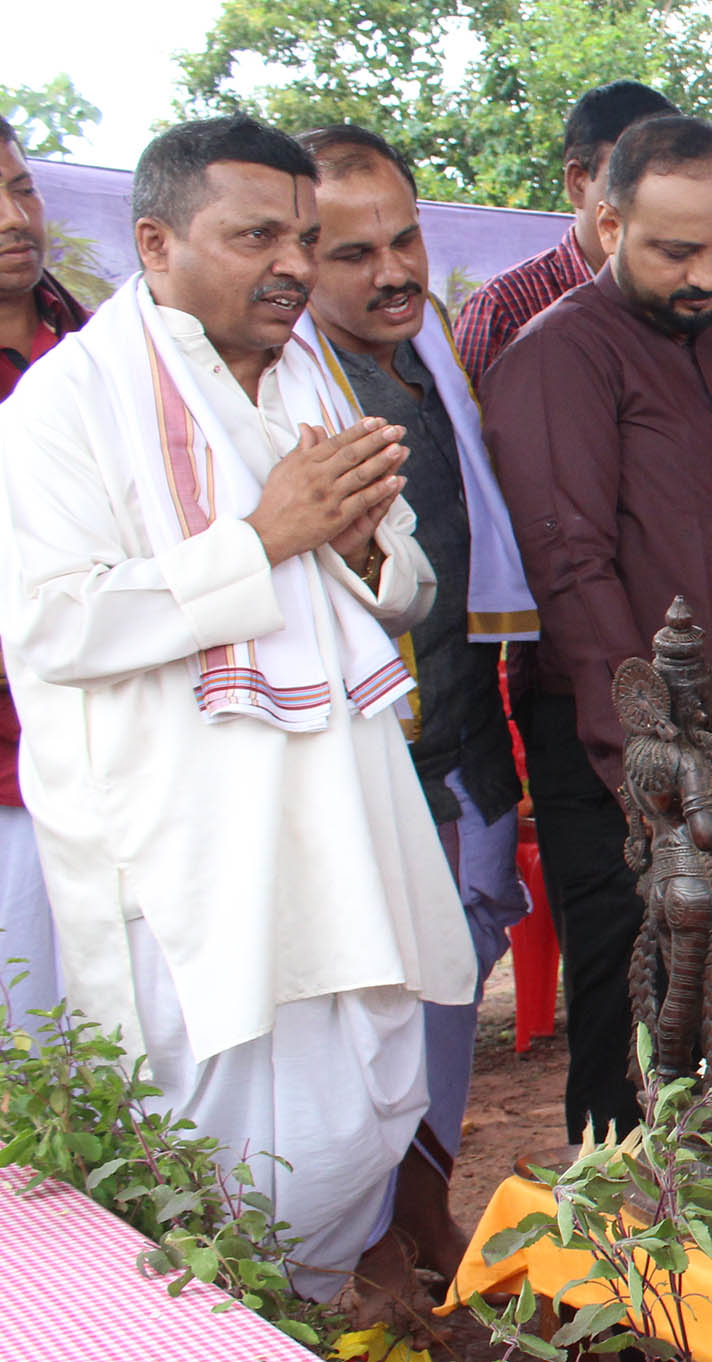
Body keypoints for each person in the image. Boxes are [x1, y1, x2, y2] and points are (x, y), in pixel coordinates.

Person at [0, 116, 475, 1305]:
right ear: (154, 244)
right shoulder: (55, 415)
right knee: (222, 1154)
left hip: (348, 811)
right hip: (196, 846)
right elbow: (54, 625)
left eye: (305, 236)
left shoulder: (315, 375)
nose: (296, 265)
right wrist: (263, 539)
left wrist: (359, 550)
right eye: (257, 234)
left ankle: (311, 1335)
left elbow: (402, 582)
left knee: (365, 1099)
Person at [483, 115, 712, 1141]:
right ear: (604, 219)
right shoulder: (559, 357)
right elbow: (572, 569)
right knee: (637, 1020)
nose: (708, 275)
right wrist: (655, 757)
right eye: (677, 250)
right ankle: (632, 1280)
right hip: (623, 756)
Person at [300, 123, 536, 1280]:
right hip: (359, 756)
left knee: (449, 989)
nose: (395, 271)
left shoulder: (423, 349)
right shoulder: (285, 383)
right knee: (375, 1008)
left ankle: (425, 1210)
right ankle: (374, 1241)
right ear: (297, 258)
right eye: (355, 253)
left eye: (407, 238)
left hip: (459, 735)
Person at [0, 102, 86, 1014]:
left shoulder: (92, 341)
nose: (13, 217)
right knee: (18, 1043)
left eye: (20, 187)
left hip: (118, 749)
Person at [451, 80, 675, 378]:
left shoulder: (686, 305)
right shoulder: (503, 308)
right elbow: (464, 424)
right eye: (633, 179)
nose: (658, 201)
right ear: (578, 182)